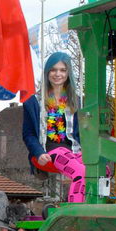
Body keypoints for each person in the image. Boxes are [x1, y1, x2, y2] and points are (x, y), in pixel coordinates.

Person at [22, 51, 84, 202]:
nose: (58, 74)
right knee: (80, 172)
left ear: (68, 73)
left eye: (63, 70)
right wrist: (38, 152)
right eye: (53, 70)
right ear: (47, 72)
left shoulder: (76, 101)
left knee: (101, 171)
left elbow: (82, 132)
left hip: (74, 149)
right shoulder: (34, 101)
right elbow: (28, 133)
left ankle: (89, 205)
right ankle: (75, 211)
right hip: (50, 150)